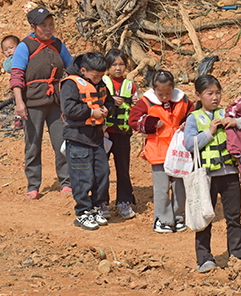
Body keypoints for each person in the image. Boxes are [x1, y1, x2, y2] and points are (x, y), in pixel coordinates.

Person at [184, 74, 241, 273]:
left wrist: (236, 123)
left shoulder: (227, 113)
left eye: (218, 93)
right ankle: (204, 259)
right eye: (209, 93)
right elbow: (189, 144)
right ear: (198, 95)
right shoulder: (193, 118)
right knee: (205, 219)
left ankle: (237, 256)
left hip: (229, 175)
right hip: (206, 177)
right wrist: (209, 132)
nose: (215, 97)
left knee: (233, 218)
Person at [9, 7, 74, 199]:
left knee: (62, 142)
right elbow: (17, 76)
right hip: (33, 103)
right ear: (33, 27)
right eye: (43, 26)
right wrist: (19, 103)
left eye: (51, 24)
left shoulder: (58, 45)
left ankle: (67, 183)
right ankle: (33, 186)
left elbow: (72, 68)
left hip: (56, 102)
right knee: (33, 144)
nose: (48, 29)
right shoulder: (25, 46)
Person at [130, 70, 193, 234]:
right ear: (153, 90)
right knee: (162, 187)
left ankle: (179, 217)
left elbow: (192, 114)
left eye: (168, 93)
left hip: (179, 149)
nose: (165, 97)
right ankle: (163, 219)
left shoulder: (183, 99)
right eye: (161, 94)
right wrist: (150, 123)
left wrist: (187, 123)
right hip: (158, 150)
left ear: (173, 88)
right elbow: (133, 120)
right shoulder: (146, 101)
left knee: (179, 186)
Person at [60, 52, 111, 231]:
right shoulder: (71, 84)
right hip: (78, 137)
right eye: (95, 76)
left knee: (102, 173)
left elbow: (109, 101)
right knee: (82, 177)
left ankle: (96, 207)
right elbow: (69, 109)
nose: (98, 80)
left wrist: (106, 110)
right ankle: (83, 212)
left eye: (101, 76)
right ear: (83, 70)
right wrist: (91, 112)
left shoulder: (100, 83)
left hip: (96, 137)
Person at [102, 49, 137, 220]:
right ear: (107, 66)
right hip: (105, 134)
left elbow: (136, 106)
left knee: (123, 169)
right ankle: (101, 202)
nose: (118, 68)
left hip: (123, 133)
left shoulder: (130, 85)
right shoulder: (101, 82)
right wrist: (110, 100)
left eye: (121, 64)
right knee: (101, 169)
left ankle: (123, 201)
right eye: (114, 64)